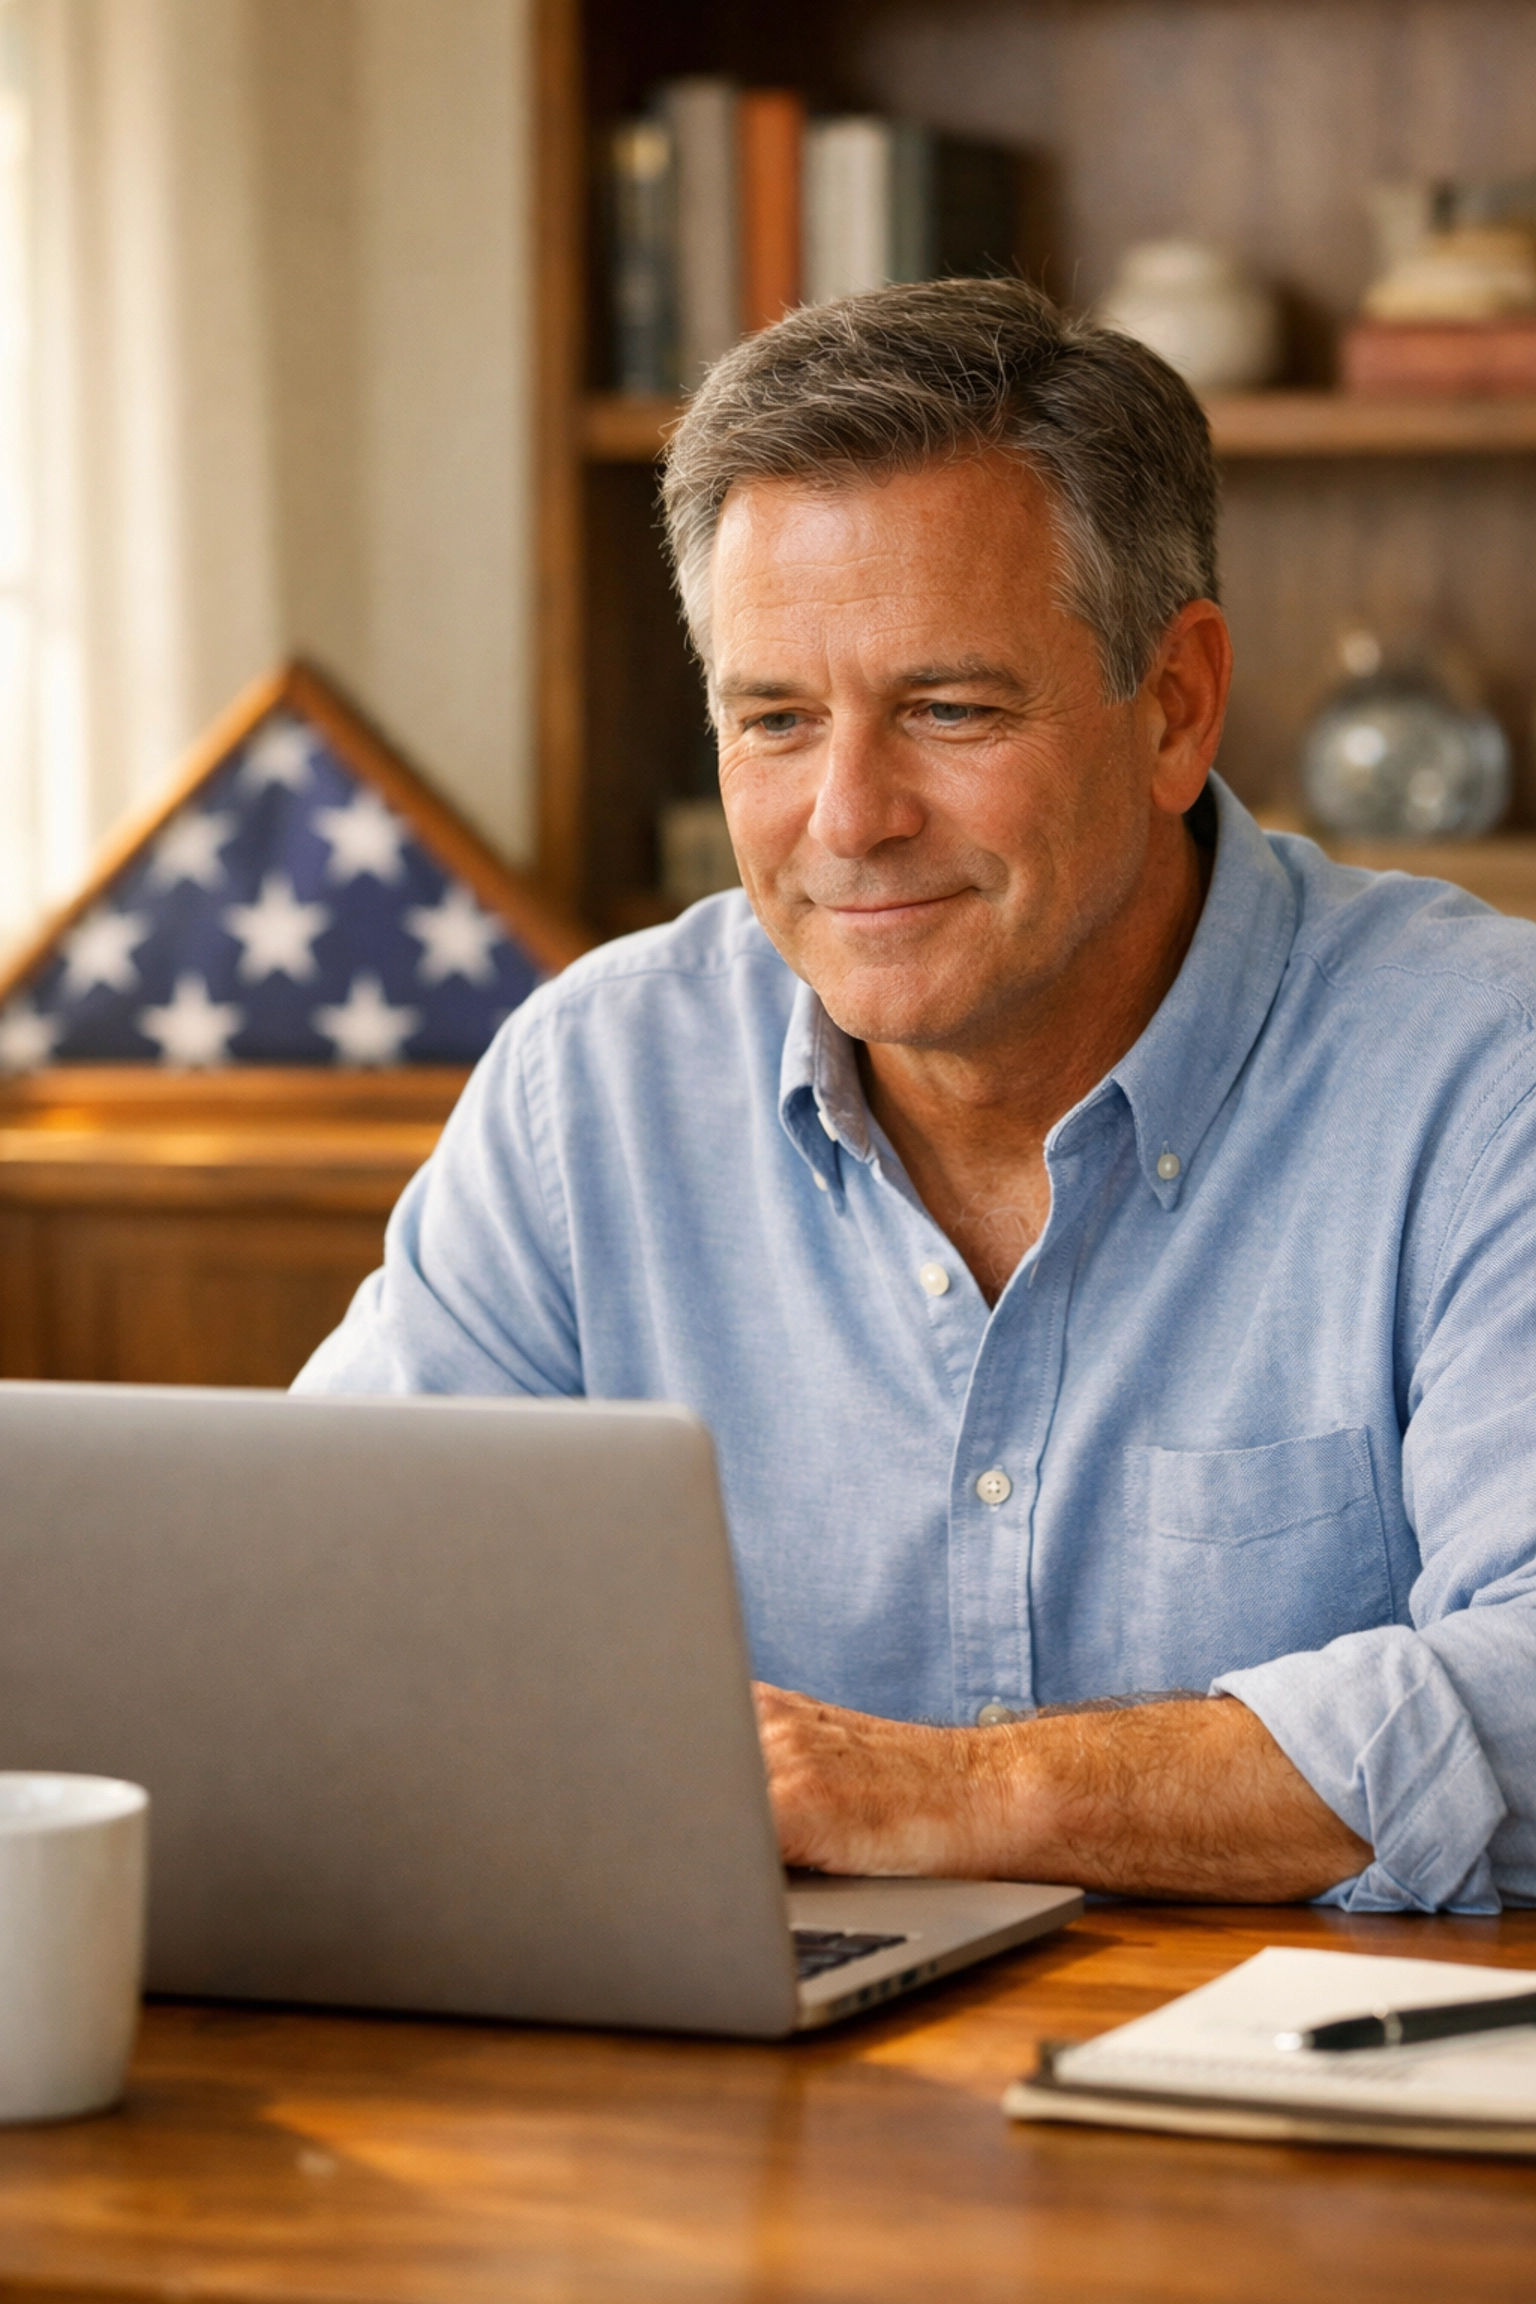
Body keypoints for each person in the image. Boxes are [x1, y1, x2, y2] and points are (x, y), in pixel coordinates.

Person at [296, 278, 1536, 1913]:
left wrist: (956, 1796)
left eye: (948, 710)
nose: (849, 816)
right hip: (723, 2092)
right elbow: (317, 1616)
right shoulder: (589, 1087)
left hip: (1316, 2116)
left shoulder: (1482, 1076)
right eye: (776, 722)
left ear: (1175, 707)